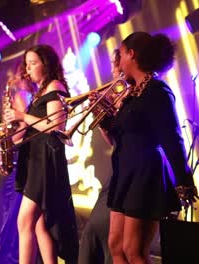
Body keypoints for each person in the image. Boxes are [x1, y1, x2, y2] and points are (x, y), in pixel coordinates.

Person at [95, 32, 199, 263]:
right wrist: (103, 119)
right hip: (125, 173)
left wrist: (183, 180)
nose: (118, 62)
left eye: (121, 55)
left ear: (132, 54)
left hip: (144, 175)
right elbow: (120, 139)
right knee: (116, 245)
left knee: (134, 250)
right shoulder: (132, 94)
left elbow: (172, 138)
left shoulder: (158, 92)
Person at [3, 44, 79, 264]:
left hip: (45, 161)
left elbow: (55, 126)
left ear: (46, 64)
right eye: (27, 64)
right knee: (39, 225)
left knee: (24, 222)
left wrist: (22, 115)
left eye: (33, 63)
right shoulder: (40, 92)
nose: (28, 69)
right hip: (34, 159)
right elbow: (32, 129)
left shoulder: (55, 86)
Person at [78, 48, 122, 264]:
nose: (114, 70)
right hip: (117, 171)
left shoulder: (133, 95)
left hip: (129, 172)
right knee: (93, 231)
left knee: (116, 240)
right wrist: (102, 118)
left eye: (117, 64)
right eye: (113, 65)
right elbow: (113, 140)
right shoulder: (117, 94)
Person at [0, 62, 34, 264]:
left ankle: (9, 257)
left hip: (19, 153)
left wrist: (10, 138)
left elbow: (22, 129)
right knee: (11, 209)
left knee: (13, 212)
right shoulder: (20, 95)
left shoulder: (22, 96)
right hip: (16, 154)